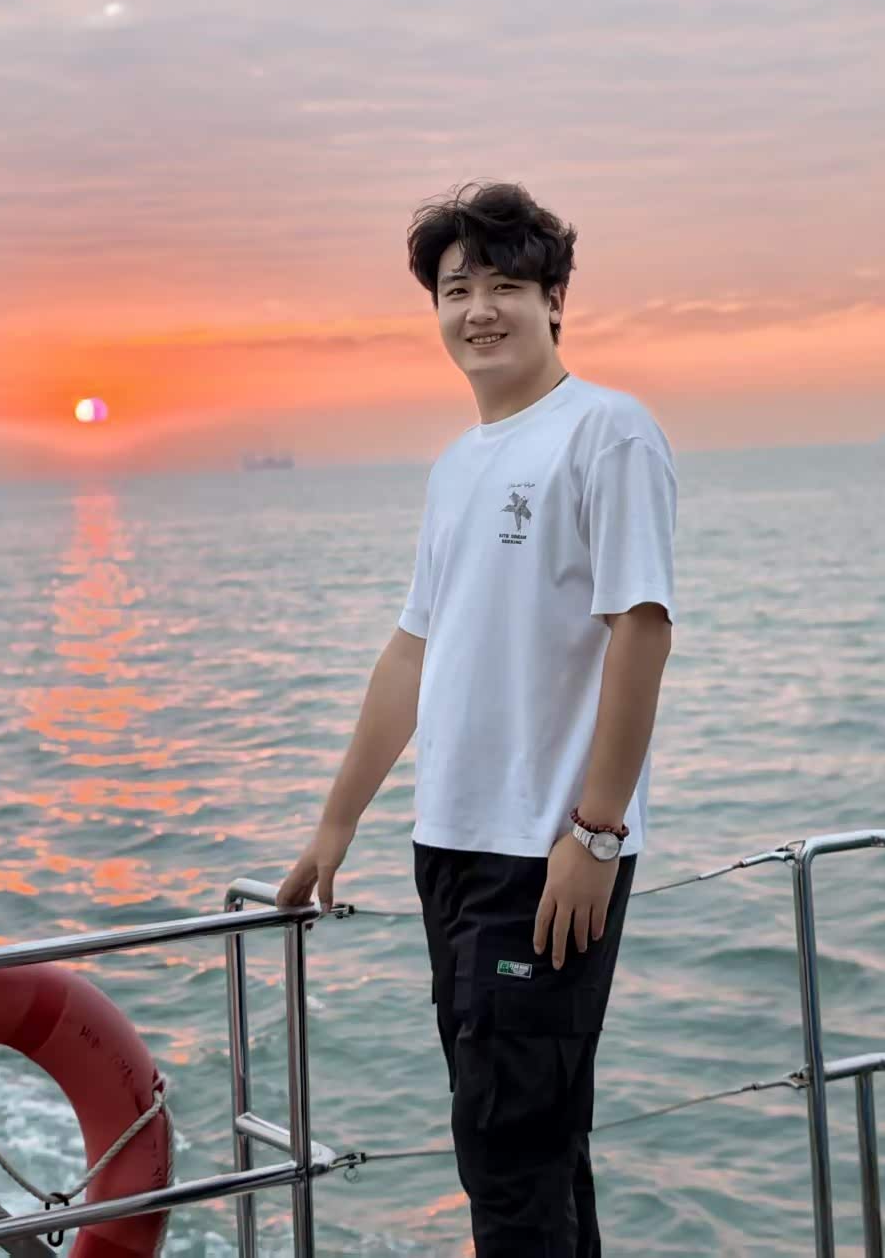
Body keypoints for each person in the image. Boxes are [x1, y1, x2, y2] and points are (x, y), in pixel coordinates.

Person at [277, 180, 677, 1256]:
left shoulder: (606, 431)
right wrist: (334, 825)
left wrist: (596, 832)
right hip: (449, 846)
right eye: (456, 290)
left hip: (547, 850)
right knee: (532, 1147)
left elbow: (641, 629)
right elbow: (413, 650)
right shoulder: (458, 464)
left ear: (554, 301)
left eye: (505, 285)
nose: (479, 310)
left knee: (507, 1154)